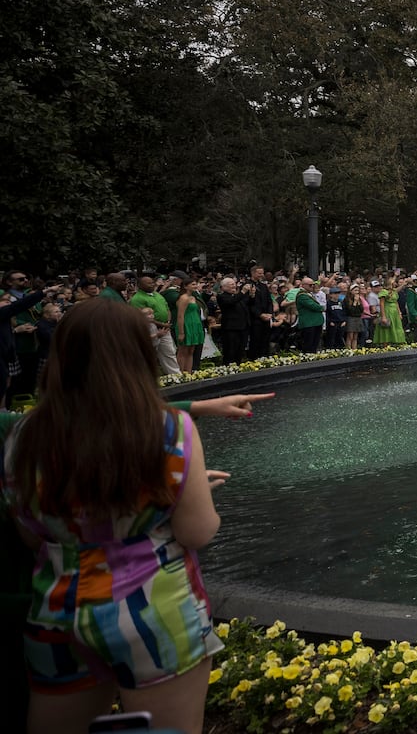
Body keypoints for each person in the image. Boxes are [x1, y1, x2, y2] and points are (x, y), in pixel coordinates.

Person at [1, 301, 240, 734]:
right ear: (138, 354)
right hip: (153, 610)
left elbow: (32, 533)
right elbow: (197, 531)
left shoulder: (23, 434)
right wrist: (191, 490)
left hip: (57, 611)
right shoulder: (167, 428)